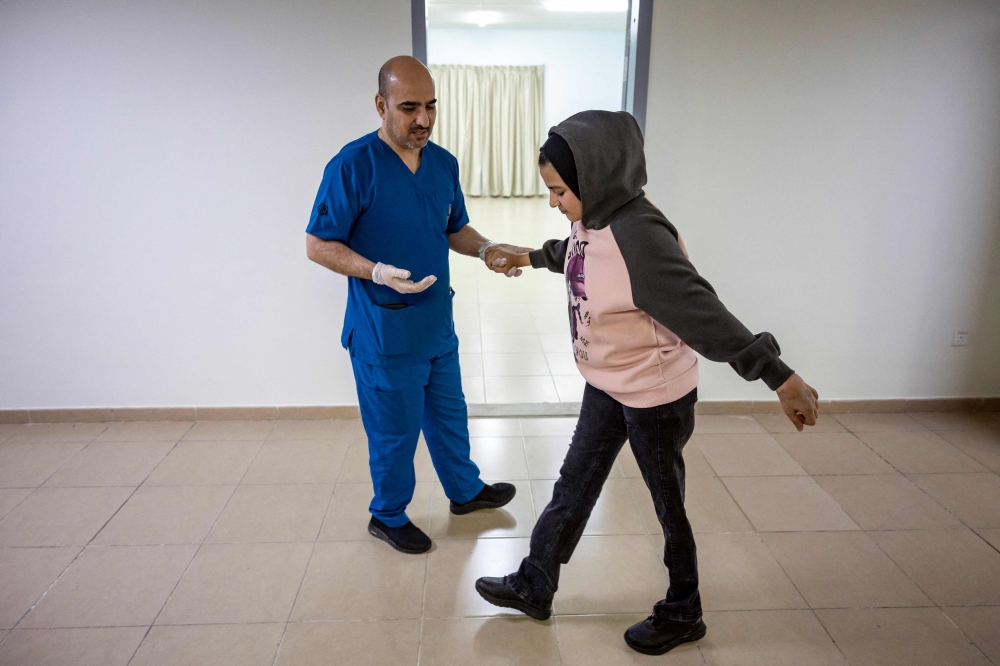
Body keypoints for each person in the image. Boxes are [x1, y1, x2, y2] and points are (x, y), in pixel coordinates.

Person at [474, 110, 820, 655]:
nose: (553, 202)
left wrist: (779, 376)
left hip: (656, 396)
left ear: (594, 179)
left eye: (559, 191)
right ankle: (535, 582)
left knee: (667, 504)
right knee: (575, 482)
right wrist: (531, 255)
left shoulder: (640, 234)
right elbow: (581, 253)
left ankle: (684, 611)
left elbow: (702, 312)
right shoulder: (596, 216)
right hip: (609, 381)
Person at [305, 56, 526, 555]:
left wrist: (488, 248)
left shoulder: (442, 164)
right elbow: (318, 244)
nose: (422, 119)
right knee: (395, 433)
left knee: (450, 416)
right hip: (383, 334)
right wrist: (375, 271)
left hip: (434, 324)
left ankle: (464, 492)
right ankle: (387, 514)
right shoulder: (352, 166)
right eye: (408, 108)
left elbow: (454, 229)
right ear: (381, 105)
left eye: (430, 107)